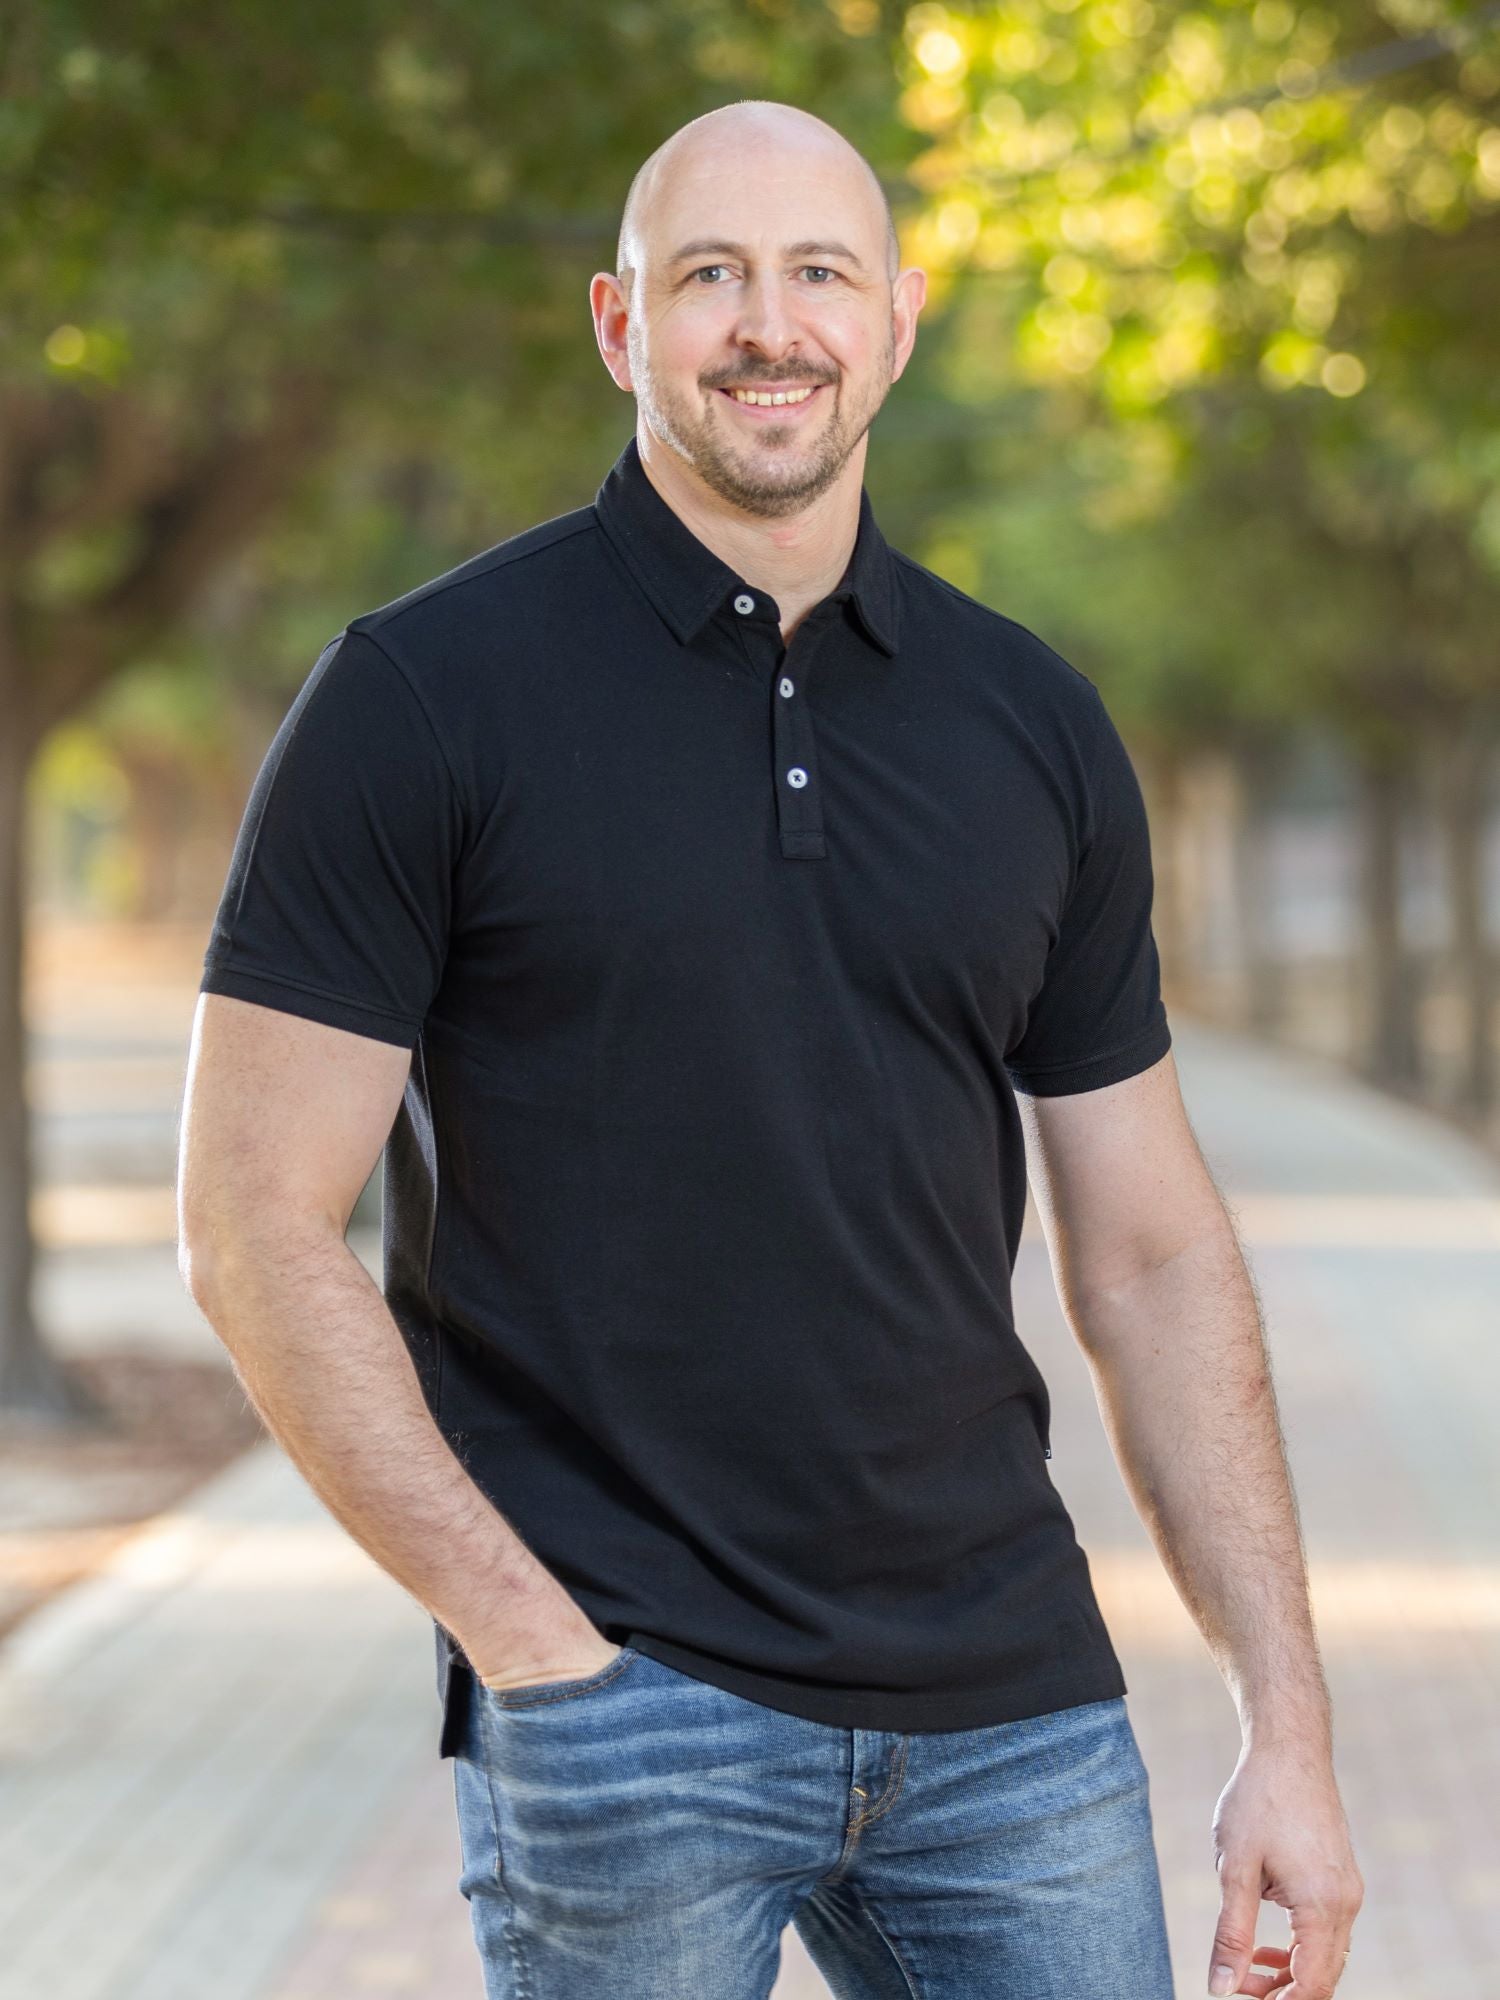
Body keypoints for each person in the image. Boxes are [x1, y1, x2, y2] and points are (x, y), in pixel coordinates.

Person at [177, 97, 1361, 2000]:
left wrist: (1284, 1730)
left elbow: (1147, 1254)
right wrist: (531, 1650)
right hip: (626, 1703)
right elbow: (250, 1227)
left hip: (1010, 1711)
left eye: (818, 272)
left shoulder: (1033, 726)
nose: (768, 324)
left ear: (898, 319)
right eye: (708, 275)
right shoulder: (422, 698)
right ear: (618, 325)